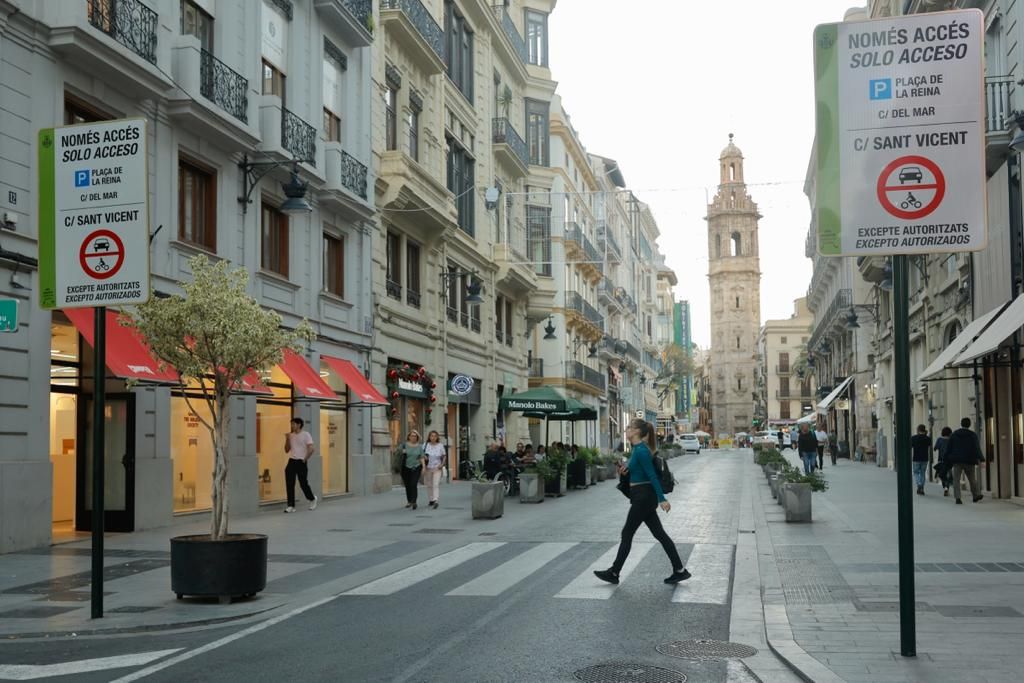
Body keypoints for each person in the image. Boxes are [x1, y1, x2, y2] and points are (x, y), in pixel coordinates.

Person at [593, 418, 689, 586]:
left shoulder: (641, 451)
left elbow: (651, 476)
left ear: (637, 431)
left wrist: (662, 499)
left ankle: (614, 572)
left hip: (643, 497)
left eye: (629, 427)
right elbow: (640, 474)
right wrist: (625, 472)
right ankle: (680, 570)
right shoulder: (638, 450)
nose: (627, 430)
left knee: (627, 533)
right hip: (642, 496)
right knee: (660, 534)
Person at [945, 417, 984, 504]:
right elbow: (977, 448)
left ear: (961, 424)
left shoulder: (954, 434)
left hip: (957, 461)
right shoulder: (973, 435)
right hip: (970, 460)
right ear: (969, 425)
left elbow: (949, 448)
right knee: (972, 479)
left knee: (956, 480)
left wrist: (947, 458)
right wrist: (981, 459)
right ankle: (975, 495)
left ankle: (958, 498)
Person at [283, 417, 317, 513]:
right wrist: (287, 439)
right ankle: (291, 505)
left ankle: (312, 499)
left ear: (299, 425)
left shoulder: (306, 434)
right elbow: (286, 450)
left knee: (303, 483)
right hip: (291, 461)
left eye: (293, 424)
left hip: (301, 461)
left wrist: (305, 459)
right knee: (289, 483)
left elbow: (311, 448)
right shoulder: (291, 435)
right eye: (291, 424)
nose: (292, 426)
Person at [399, 430, 425, 510]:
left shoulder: (419, 446)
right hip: (405, 467)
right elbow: (396, 453)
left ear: (417, 437)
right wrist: (402, 452)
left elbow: (421, 457)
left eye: (415, 436)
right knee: (408, 485)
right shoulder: (404, 445)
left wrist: (423, 467)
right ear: (409, 437)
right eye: (412, 436)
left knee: (413, 484)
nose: (413, 437)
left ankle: (414, 502)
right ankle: (409, 501)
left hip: (416, 467)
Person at [423, 430, 446, 509]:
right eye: (431, 436)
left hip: (437, 467)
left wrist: (442, 464)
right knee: (429, 484)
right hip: (428, 467)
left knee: (435, 484)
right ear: (429, 437)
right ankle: (431, 499)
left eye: (435, 436)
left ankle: (436, 500)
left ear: (437, 437)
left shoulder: (440, 446)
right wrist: (424, 459)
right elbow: (421, 455)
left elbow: (444, 456)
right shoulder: (425, 445)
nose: (433, 437)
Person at [911, 424, 931, 495]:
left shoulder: (913, 438)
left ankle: (919, 484)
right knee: (923, 473)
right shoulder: (927, 438)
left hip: (916, 458)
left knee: (916, 472)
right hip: (925, 458)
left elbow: (911, 446)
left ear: (918, 430)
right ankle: (921, 486)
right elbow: (929, 445)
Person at [934, 426, 953, 496]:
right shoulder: (951, 440)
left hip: (941, 460)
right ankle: (947, 487)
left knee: (942, 474)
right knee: (948, 474)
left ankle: (945, 487)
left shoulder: (939, 439)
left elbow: (935, 448)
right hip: (950, 460)